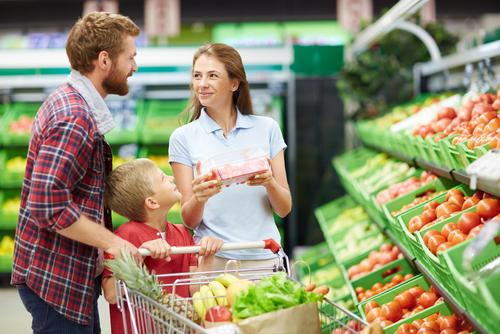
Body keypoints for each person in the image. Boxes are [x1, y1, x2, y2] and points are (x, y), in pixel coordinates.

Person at [11, 12, 142, 333]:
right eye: (130, 57)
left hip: (63, 271)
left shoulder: (71, 103)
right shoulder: (75, 117)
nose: (134, 67)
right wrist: (116, 243)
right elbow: (48, 206)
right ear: (104, 60)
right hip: (56, 277)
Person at [169, 43, 292, 270]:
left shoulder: (267, 129)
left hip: (265, 256)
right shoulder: (183, 137)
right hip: (215, 260)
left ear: (234, 83)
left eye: (212, 76)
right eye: (197, 76)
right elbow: (189, 220)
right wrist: (200, 196)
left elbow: (284, 209)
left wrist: (269, 183)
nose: (202, 84)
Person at [101, 158, 223, 334]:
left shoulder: (182, 232)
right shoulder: (125, 236)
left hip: (179, 328)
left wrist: (208, 256)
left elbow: (193, 288)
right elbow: (112, 294)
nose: (172, 178)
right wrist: (139, 253)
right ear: (152, 202)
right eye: (163, 178)